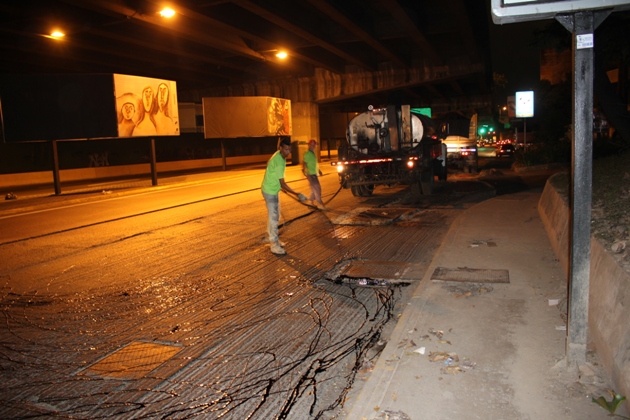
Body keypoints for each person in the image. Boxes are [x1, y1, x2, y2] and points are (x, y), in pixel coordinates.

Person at [261, 137, 306, 255]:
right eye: (286, 150)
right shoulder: (279, 161)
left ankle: (271, 237)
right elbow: (283, 184)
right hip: (270, 191)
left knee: (276, 215)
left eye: (290, 150)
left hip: (272, 189)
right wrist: (297, 194)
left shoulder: (278, 154)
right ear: (281, 148)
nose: (288, 152)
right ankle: (274, 245)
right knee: (274, 217)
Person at [302, 139, 325, 209]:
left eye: (314, 145)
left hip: (313, 173)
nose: (313, 146)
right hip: (311, 175)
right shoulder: (307, 154)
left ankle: (310, 201)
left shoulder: (312, 153)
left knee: (314, 189)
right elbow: (304, 164)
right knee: (317, 188)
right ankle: (320, 203)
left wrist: (319, 170)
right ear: (309, 145)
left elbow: (313, 164)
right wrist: (306, 173)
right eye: (312, 145)